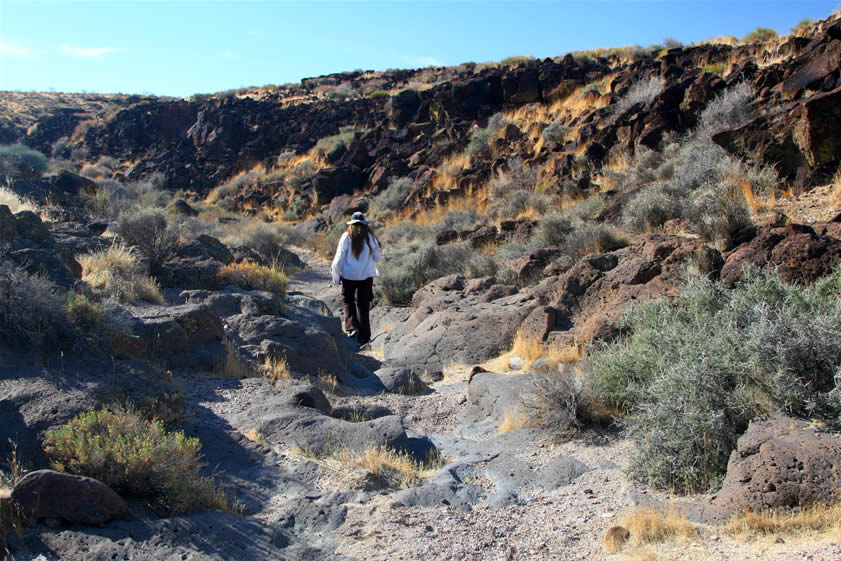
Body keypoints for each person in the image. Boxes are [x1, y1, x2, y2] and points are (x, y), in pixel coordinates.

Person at [331, 212, 382, 346]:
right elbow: (378, 258)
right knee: (363, 305)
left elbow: (339, 258)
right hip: (366, 276)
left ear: (351, 224)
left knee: (348, 301)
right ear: (364, 224)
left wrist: (336, 276)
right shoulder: (370, 237)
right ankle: (364, 337)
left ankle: (352, 327)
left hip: (349, 276)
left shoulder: (346, 236)